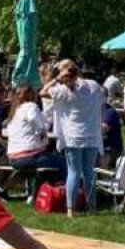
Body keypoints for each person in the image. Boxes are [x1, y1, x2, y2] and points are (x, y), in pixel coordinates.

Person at [42, 59, 105, 217]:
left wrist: (56, 79)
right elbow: (104, 92)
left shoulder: (63, 91)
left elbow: (43, 92)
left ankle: (70, 208)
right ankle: (92, 207)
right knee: (89, 172)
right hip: (91, 134)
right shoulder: (92, 85)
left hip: (73, 136)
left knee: (73, 171)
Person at [6, 85, 66, 202]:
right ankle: (60, 194)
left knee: (45, 164)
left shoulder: (15, 110)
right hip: (28, 155)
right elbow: (38, 121)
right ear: (32, 95)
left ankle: (34, 194)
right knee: (61, 163)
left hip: (13, 156)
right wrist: (43, 130)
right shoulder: (31, 106)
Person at [100, 92, 124, 170]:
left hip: (112, 149)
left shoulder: (109, 112)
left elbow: (104, 129)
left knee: (103, 154)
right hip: (100, 146)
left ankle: (104, 176)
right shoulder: (94, 111)